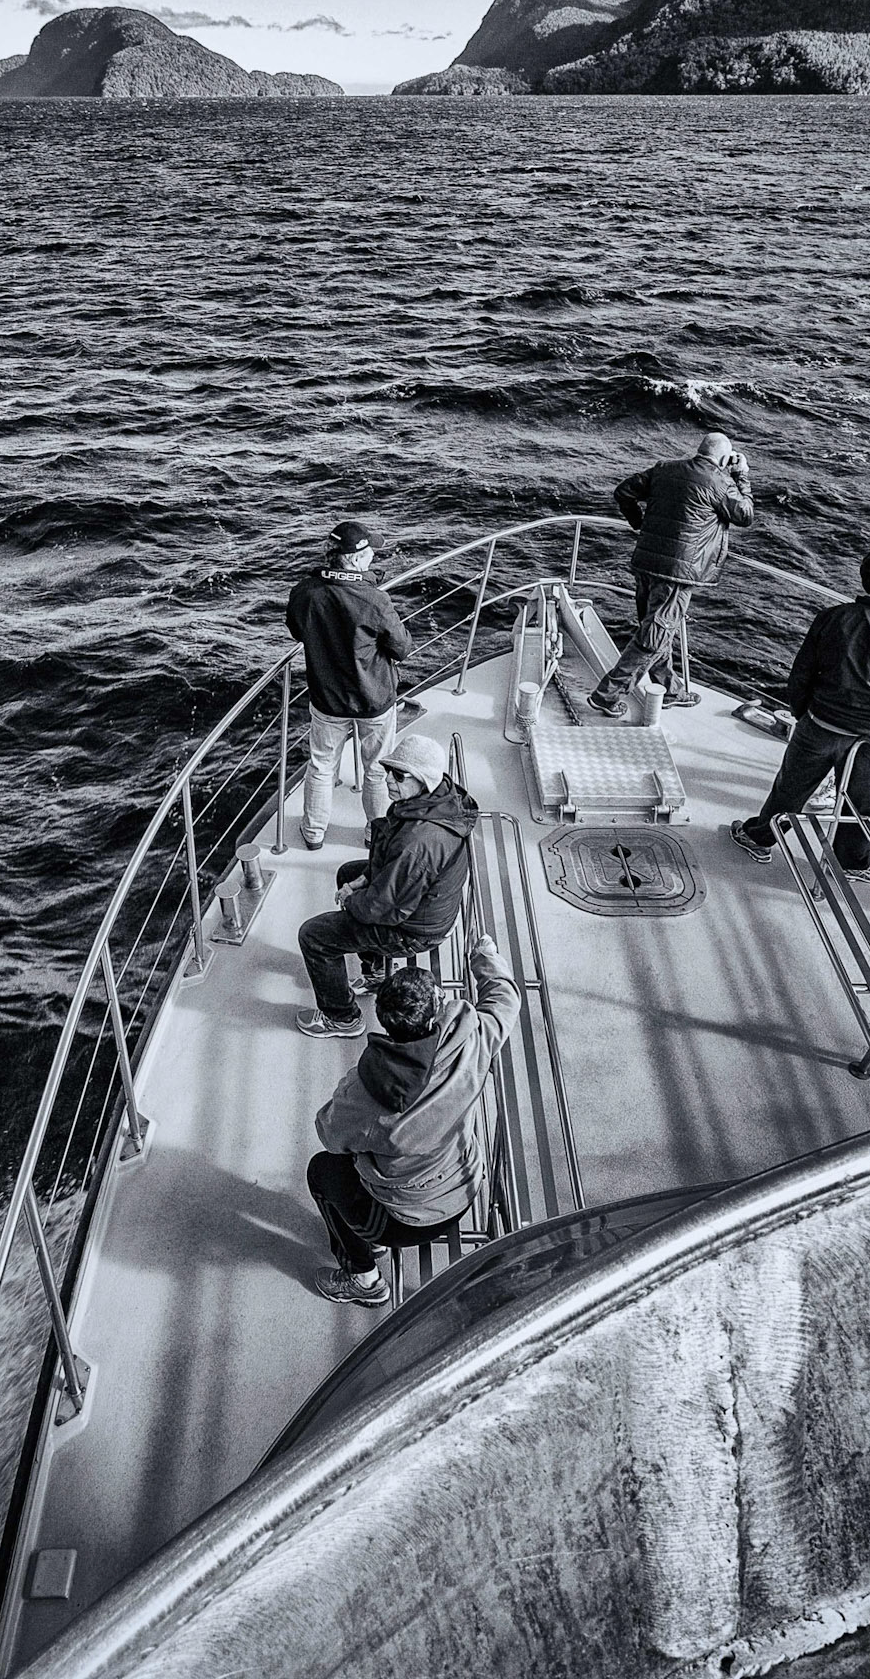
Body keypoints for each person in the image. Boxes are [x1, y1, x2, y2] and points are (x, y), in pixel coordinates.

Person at [307, 932, 521, 1306]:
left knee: (323, 1171)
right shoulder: (475, 1041)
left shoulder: (366, 1091)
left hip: (406, 1220)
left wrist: (349, 1091)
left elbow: (328, 1132)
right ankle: (366, 1248)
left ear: (388, 1026)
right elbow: (505, 998)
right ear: (438, 1005)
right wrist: (484, 956)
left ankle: (364, 1278)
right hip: (465, 1188)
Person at [732, 544, 870, 877]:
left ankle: (759, 837)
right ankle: (853, 863)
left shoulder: (831, 618)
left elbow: (801, 676)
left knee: (789, 789)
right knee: (863, 806)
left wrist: (803, 715)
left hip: (819, 724)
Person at [295, 732, 477, 1039]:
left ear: (424, 780)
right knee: (347, 872)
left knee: (314, 937)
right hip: (423, 906)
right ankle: (376, 973)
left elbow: (383, 908)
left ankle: (342, 1018)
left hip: (413, 930)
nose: (388, 779)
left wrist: (350, 897)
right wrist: (361, 880)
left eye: (400, 775)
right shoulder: (431, 803)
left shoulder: (418, 843)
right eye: (389, 769)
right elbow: (392, 870)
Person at [590, 431, 753, 717]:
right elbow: (745, 515)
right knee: (654, 635)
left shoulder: (664, 468)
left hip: (645, 563)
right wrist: (742, 477)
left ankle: (670, 691)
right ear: (726, 458)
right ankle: (607, 694)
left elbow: (623, 492)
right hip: (677, 572)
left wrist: (638, 523)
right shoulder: (720, 481)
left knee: (654, 629)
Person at [286, 517, 413, 850]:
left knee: (322, 766)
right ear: (356, 559)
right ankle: (376, 833)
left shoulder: (305, 593)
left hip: (327, 700)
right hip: (374, 700)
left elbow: (297, 630)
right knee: (375, 769)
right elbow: (402, 648)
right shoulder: (374, 599)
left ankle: (313, 833)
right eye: (371, 551)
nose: (374, 556)